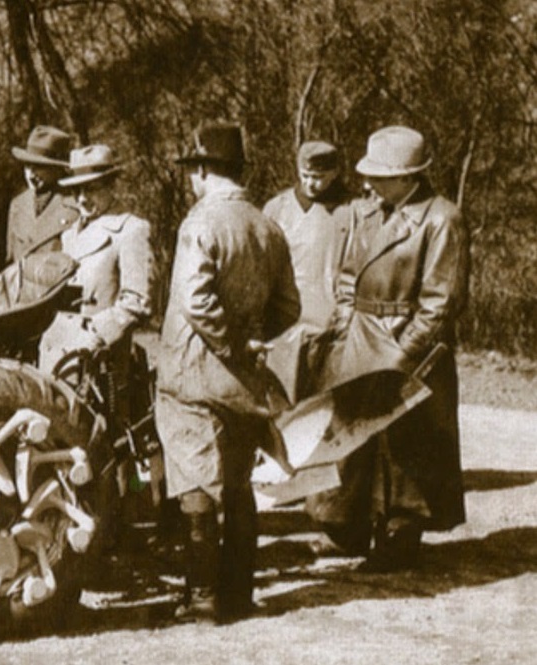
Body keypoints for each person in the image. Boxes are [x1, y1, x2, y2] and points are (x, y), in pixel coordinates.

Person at [157, 122, 300, 623]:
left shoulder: (200, 223)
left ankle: (201, 598)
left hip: (192, 375)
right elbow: (290, 306)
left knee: (196, 480)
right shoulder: (268, 227)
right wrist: (252, 339)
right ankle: (238, 594)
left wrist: (229, 341)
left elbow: (194, 299)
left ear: (200, 171)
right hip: (243, 380)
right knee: (238, 484)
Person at [314, 126, 470, 572]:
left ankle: (400, 538)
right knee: (355, 440)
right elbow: (346, 280)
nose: (369, 184)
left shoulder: (442, 220)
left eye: (381, 177)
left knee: (407, 448)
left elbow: (440, 305)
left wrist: (399, 359)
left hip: (410, 348)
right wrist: (344, 331)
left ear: (409, 178)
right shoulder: (366, 214)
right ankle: (349, 528)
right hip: (360, 338)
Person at [38, 144, 155, 375]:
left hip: (100, 359)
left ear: (111, 186)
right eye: (76, 191)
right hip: (58, 352)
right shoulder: (69, 235)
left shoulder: (130, 230)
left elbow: (138, 301)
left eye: (91, 189)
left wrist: (96, 332)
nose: (82, 199)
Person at [262, 140, 352, 329]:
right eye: (305, 175)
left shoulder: (350, 211)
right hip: (283, 320)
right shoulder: (276, 208)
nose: (310, 183)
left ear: (334, 173)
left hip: (330, 320)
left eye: (318, 177)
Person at [6, 125, 76, 263]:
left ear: (57, 169)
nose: (31, 175)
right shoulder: (18, 205)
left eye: (39, 167)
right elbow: (10, 260)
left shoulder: (74, 206)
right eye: (27, 166)